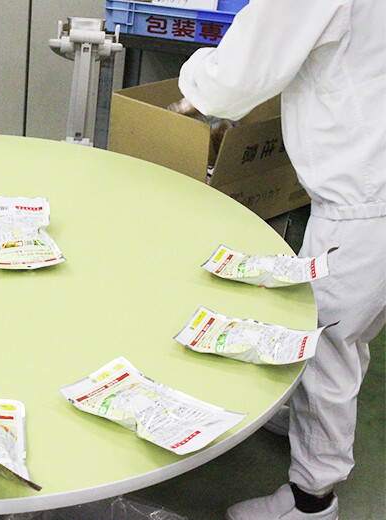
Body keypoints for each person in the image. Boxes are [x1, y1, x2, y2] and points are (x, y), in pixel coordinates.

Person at [171, 1, 386, 519]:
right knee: (353, 329)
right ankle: (302, 415)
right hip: (370, 185)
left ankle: (312, 500)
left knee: (328, 339)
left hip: (362, 201)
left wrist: (191, 92)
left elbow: (237, 76)